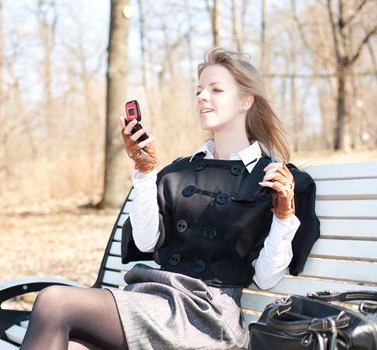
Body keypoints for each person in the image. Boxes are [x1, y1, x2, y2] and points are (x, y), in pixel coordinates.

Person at [20, 48, 320, 350]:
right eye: (199, 90)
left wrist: (283, 214)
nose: (203, 96)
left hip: (206, 314)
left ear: (246, 101)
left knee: (54, 302)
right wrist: (145, 171)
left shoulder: (273, 178)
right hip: (150, 295)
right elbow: (147, 241)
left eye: (216, 89)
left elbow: (266, 279)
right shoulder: (178, 171)